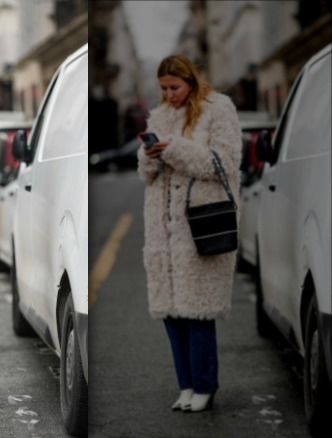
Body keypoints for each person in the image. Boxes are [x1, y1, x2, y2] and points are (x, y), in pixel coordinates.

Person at [137, 54, 241, 413]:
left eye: (175, 87)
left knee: (198, 312)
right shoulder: (161, 114)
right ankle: (185, 385)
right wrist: (150, 154)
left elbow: (225, 163)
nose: (169, 94)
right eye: (163, 88)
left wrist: (176, 150)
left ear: (191, 82)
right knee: (171, 313)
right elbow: (146, 174)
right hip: (163, 232)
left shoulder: (218, 109)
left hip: (199, 226)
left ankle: (205, 386)